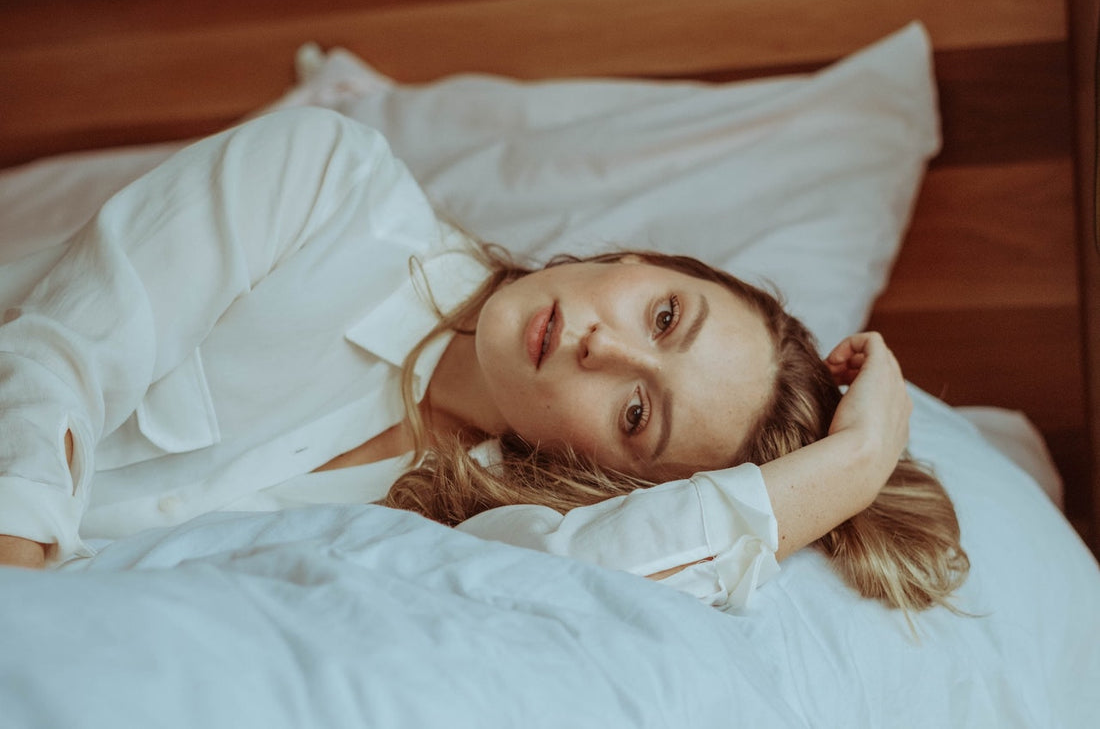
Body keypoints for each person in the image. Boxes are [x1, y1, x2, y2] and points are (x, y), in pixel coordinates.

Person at [0, 108, 967, 613]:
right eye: (664, 315)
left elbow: (622, 571)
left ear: (605, 474)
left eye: (637, 413)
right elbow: (54, 363)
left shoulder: (482, 530)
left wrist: (853, 468)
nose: (605, 346)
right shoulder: (331, 187)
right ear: (642, 259)